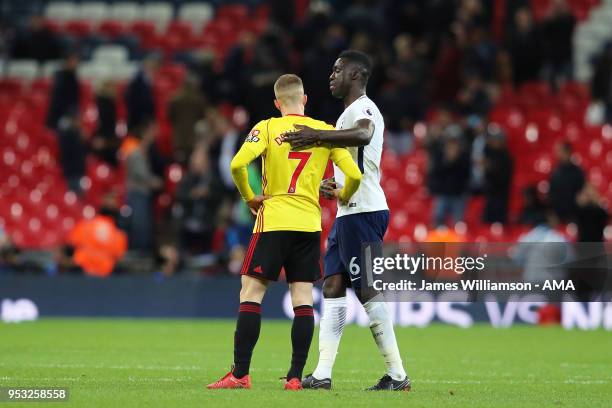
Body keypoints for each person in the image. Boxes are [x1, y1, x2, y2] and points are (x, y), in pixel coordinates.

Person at [206, 74, 362, 390]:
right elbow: (355, 175)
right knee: (303, 299)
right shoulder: (326, 131)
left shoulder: (266, 127)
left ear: (278, 103)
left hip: (274, 220)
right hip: (308, 225)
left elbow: (238, 165)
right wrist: (342, 196)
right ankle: (294, 378)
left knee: (251, 293)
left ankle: (240, 375)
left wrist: (249, 197)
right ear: (304, 100)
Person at [283, 50, 411, 391]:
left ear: (356, 75)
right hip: (347, 211)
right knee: (333, 286)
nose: (332, 75)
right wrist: (334, 186)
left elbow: (365, 134)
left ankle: (398, 375)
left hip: (365, 211)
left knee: (366, 287)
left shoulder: (363, 109)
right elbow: (356, 162)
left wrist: (317, 136)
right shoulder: (344, 117)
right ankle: (322, 374)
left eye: (338, 69)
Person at [548, 142, 584, 222]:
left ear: (568, 152)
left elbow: (582, 193)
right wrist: (552, 212)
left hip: (574, 215)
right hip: (558, 215)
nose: (559, 154)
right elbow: (552, 194)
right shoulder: (555, 172)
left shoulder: (578, 172)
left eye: (561, 151)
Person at [46, 52, 80, 131]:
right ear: (67, 62)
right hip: (60, 115)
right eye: (73, 61)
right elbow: (59, 100)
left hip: (67, 114)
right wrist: (71, 116)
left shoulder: (72, 76)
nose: (76, 63)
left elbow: (74, 99)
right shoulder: (61, 78)